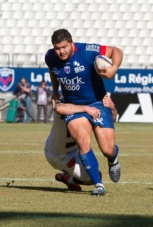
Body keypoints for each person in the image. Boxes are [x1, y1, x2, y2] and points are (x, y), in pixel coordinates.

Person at [45, 29, 123, 196]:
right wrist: (55, 91)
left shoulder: (87, 51)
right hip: (74, 106)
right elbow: (53, 70)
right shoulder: (50, 57)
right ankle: (99, 185)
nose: (61, 52)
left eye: (64, 47)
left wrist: (114, 68)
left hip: (98, 103)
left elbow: (116, 51)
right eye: (57, 48)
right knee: (82, 140)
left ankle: (113, 159)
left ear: (72, 43)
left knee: (107, 149)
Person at [45, 95, 117, 193]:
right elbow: (59, 108)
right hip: (59, 155)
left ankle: (68, 177)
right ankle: (67, 178)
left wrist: (112, 107)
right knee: (94, 178)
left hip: (76, 149)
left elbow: (111, 119)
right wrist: (87, 108)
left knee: (96, 171)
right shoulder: (65, 103)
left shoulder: (91, 103)